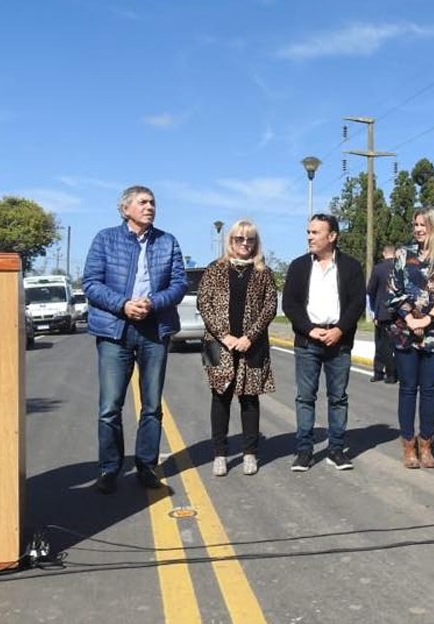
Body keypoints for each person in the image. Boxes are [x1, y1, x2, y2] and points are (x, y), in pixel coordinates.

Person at [82, 185, 188, 494]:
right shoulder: (105, 239)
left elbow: (179, 284)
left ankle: (146, 466)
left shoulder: (167, 241)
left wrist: (152, 303)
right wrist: (123, 304)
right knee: (109, 406)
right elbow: (91, 283)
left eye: (152, 202)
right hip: (114, 330)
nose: (150, 207)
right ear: (125, 208)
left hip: (154, 330)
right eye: (143, 202)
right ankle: (109, 469)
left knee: (152, 405)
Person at [282, 213, 366, 472]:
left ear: (332, 236)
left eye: (315, 232)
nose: (310, 237)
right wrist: (309, 330)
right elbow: (290, 304)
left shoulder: (351, 266)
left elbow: (357, 303)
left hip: (338, 342)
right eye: (308, 232)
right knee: (305, 397)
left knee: (338, 398)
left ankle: (336, 450)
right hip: (308, 342)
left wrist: (340, 329)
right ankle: (304, 451)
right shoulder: (298, 266)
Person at [197, 219, 277, 477]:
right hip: (218, 345)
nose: (245, 243)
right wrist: (225, 336)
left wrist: (249, 337)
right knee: (220, 398)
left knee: (249, 399)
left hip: (252, 345)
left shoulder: (263, 272)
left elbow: (270, 307)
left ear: (256, 242)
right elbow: (204, 303)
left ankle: (250, 453)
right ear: (230, 240)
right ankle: (219, 454)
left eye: (250, 239)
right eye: (239, 239)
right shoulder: (215, 269)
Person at [386, 207, 434, 469]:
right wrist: (411, 319)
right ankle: (408, 445)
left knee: (429, 390)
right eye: (416, 224)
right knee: (408, 389)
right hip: (405, 332)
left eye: (423, 225)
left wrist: (427, 320)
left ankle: (426, 444)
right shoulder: (403, 254)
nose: (418, 229)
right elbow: (394, 291)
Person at [366, 244, 397, 384]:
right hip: (397, 313)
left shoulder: (378, 269)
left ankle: (379, 372)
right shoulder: (400, 268)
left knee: (381, 344)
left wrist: (373, 311)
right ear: (395, 254)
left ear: (384, 254)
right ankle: (392, 373)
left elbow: (370, 291)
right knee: (393, 345)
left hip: (382, 312)